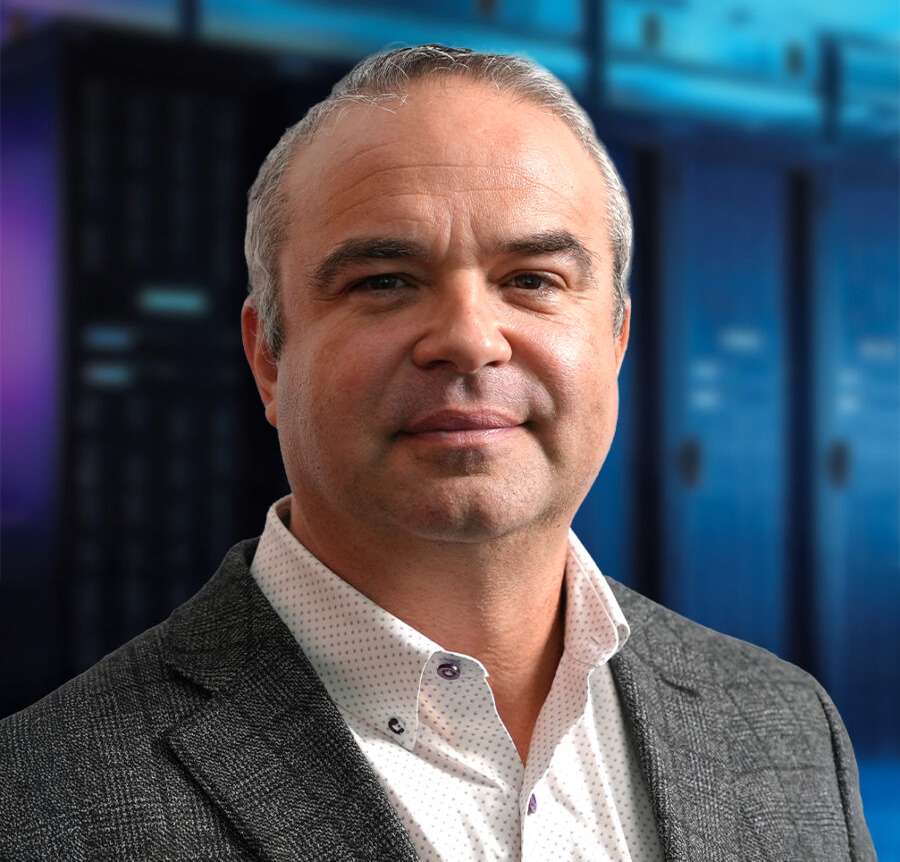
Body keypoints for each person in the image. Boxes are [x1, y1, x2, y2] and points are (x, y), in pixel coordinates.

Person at [0, 45, 874, 862]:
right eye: (384, 282)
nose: (467, 339)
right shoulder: (39, 801)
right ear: (269, 357)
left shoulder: (786, 727)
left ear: (613, 344)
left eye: (532, 280)